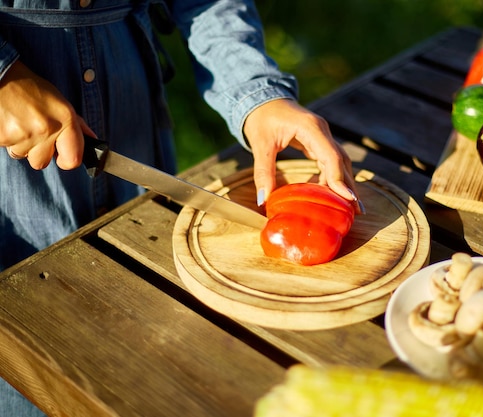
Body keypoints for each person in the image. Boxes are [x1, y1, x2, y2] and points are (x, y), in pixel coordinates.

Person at [0, 0, 363, 415]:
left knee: (152, 349)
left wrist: (257, 93)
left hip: (129, 99)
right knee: (25, 363)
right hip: (11, 142)